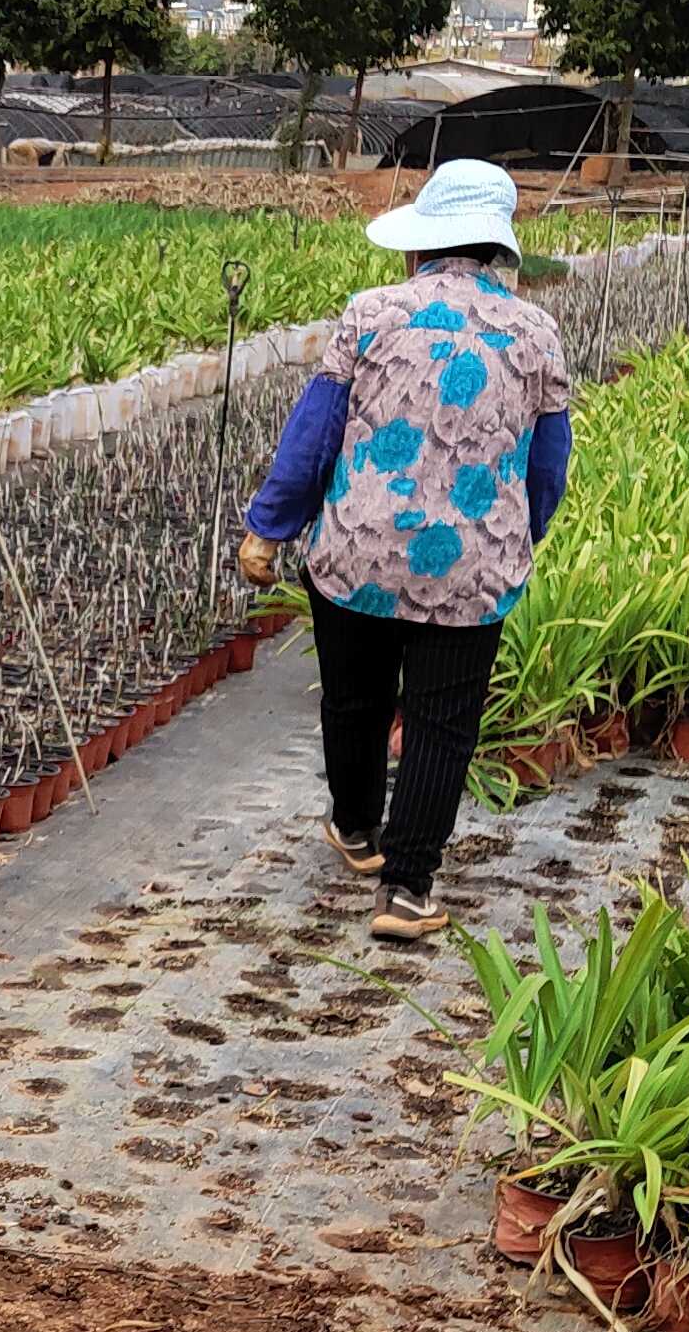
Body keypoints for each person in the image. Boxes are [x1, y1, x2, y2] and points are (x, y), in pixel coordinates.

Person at [236, 159, 576, 943]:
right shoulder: (536, 331)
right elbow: (548, 462)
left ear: (420, 249)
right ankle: (408, 888)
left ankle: (356, 828)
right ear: (496, 250)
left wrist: (270, 527)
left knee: (353, 699)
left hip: (357, 550)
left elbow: (315, 435)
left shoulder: (371, 313)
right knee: (440, 722)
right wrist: (522, 536)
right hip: (469, 561)